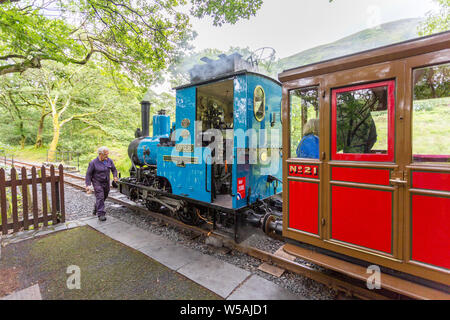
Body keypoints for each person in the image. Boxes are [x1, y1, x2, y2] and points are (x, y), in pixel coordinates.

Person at [85, 146, 118, 221]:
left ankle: (96, 206)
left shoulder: (109, 161)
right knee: (100, 196)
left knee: (105, 196)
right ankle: (101, 214)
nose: (107, 156)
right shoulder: (93, 163)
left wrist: (115, 176)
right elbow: (88, 174)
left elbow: (114, 169)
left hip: (106, 182)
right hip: (97, 182)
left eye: (107, 154)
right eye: (105, 154)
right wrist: (88, 185)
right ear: (100, 154)